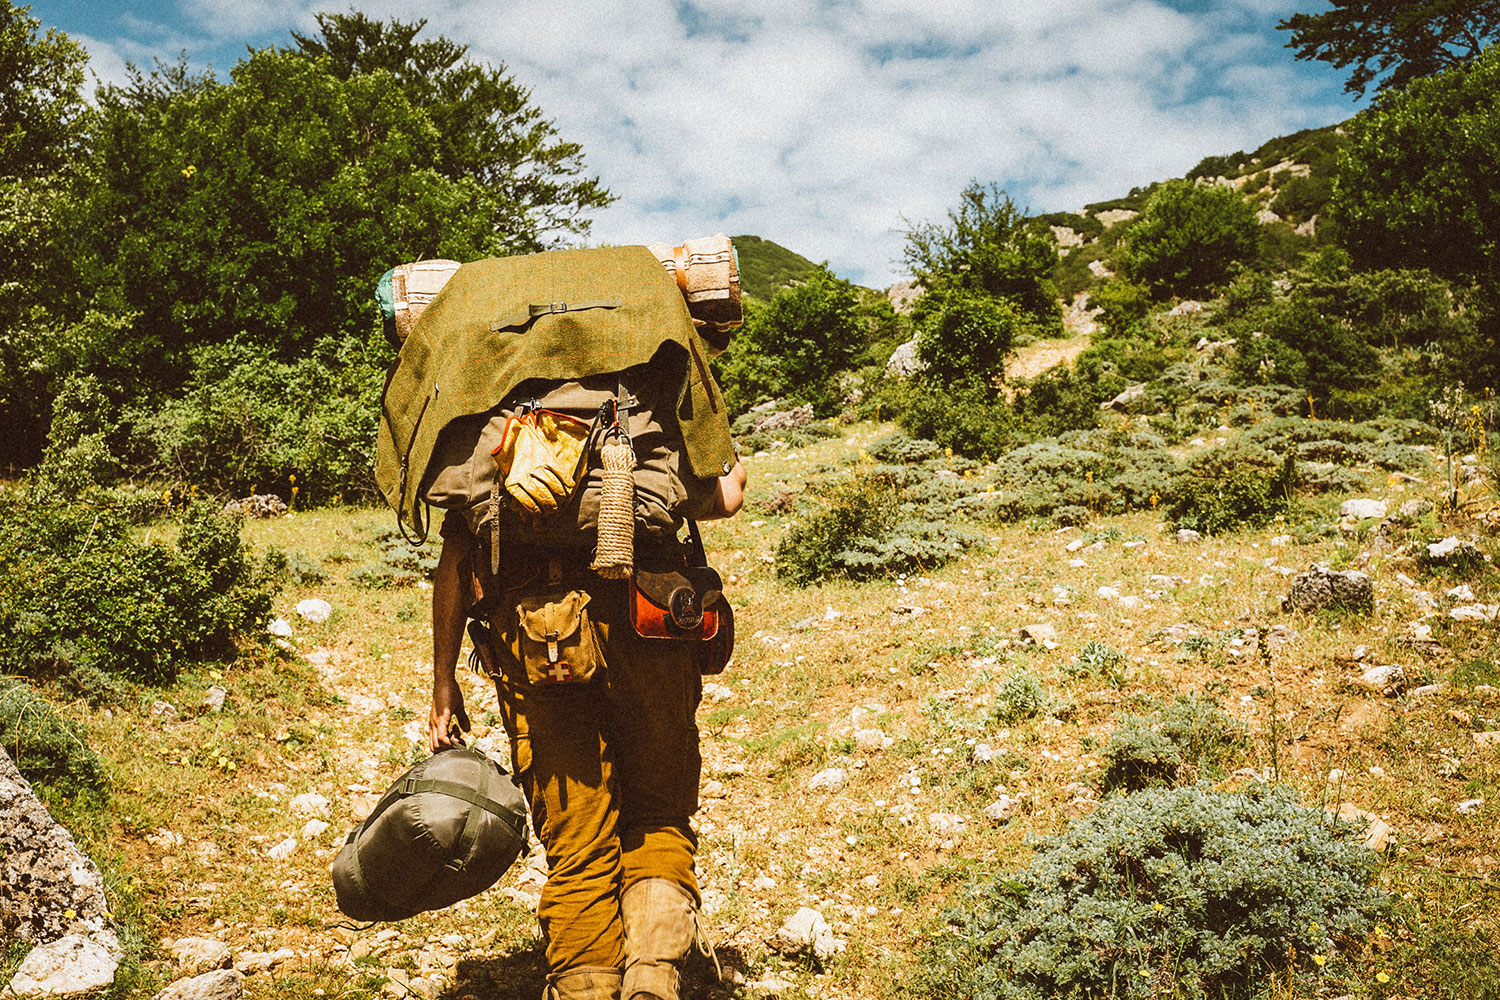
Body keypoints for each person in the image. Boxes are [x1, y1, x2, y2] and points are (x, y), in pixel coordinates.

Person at [425, 357, 746, 1000]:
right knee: (658, 811)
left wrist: (442, 683)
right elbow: (726, 497)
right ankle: (653, 976)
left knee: (576, 835)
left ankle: (583, 985)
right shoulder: (647, 402)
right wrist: (731, 461)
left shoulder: (486, 427)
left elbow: (454, 567)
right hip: (648, 625)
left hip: (539, 642)